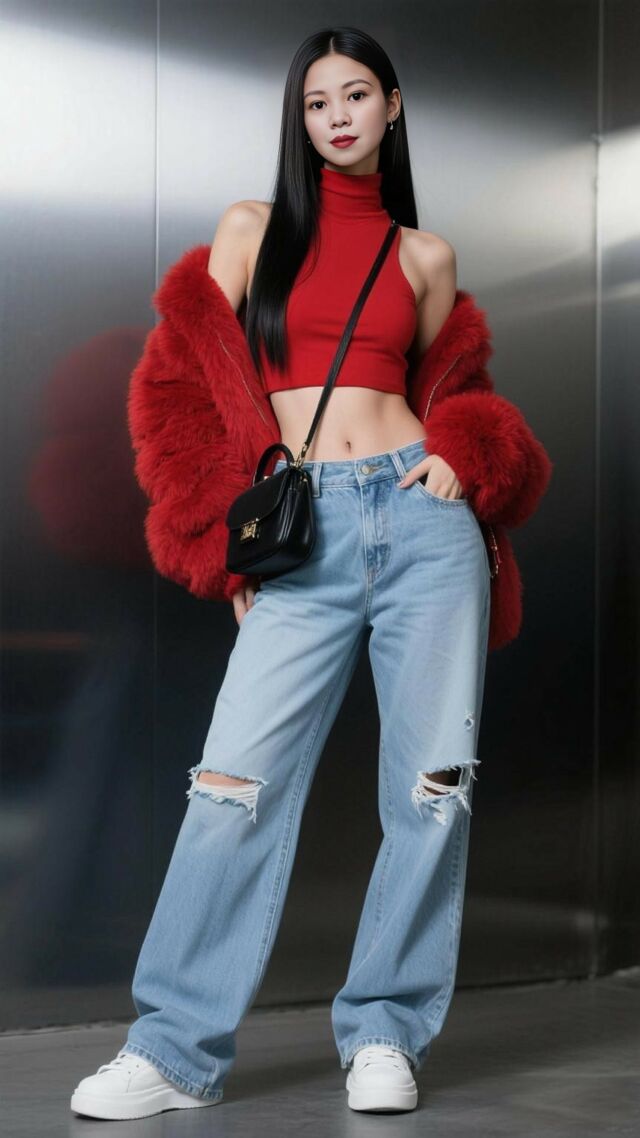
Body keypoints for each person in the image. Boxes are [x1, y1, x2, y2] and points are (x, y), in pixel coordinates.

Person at [71, 25, 552, 1121]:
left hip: (425, 529)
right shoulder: (253, 229)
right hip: (306, 529)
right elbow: (180, 391)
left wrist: (460, 454)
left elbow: (453, 391)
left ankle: (385, 1029)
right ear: (300, 119)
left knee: (432, 790)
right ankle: (174, 1049)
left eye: (356, 95)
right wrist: (220, 542)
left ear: (393, 106)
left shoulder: (425, 257)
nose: (336, 116)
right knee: (231, 785)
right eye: (316, 102)